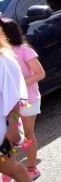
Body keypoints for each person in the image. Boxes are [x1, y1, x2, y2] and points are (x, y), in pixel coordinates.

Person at [1, 19, 44, 181]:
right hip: (8, 105)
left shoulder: (24, 50)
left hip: (28, 100)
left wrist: (18, 85)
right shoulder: (3, 52)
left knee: (26, 135)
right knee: (9, 137)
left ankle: (31, 168)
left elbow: (40, 73)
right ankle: (7, 170)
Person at [0, 27, 29, 182]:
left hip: (2, 129)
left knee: (12, 169)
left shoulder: (4, 59)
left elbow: (15, 98)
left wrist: (12, 128)